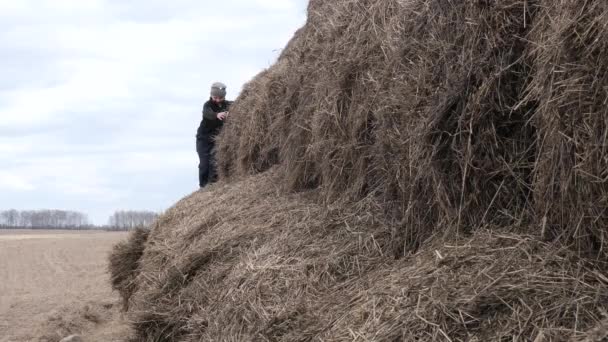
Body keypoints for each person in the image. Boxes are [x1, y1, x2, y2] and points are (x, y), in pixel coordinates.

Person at [196, 82, 232, 188]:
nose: (217, 99)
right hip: (203, 139)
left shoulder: (228, 105)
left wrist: (231, 112)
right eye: (215, 97)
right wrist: (217, 115)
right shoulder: (207, 105)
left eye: (220, 97)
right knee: (204, 164)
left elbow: (240, 104)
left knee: (214, 160)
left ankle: (212, 184)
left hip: (217, 139)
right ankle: (203, 186)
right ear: (211, 95)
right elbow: (207, 113)